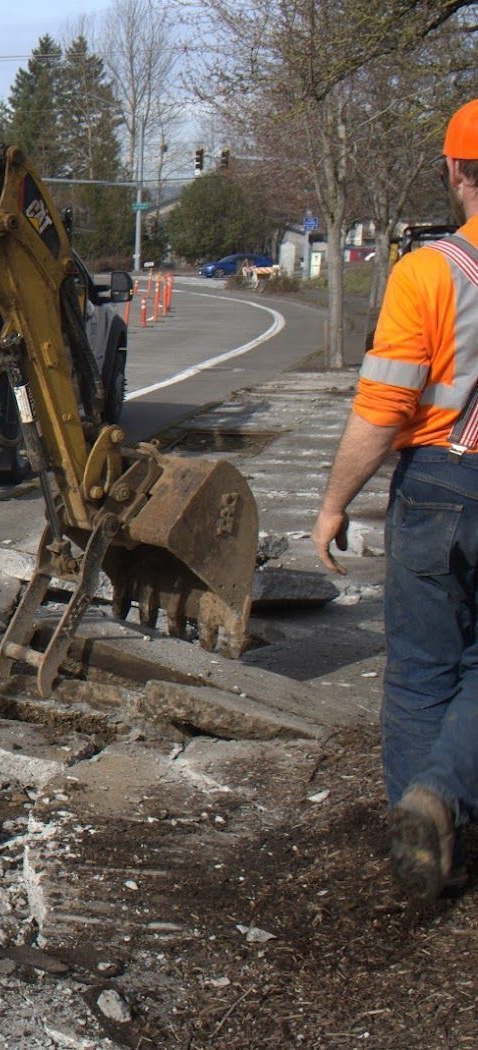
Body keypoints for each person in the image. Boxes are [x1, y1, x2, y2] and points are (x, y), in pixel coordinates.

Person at [312, 97, 478, 904]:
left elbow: (380, 415)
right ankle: (441, 801)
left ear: (453, 172)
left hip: (439, 485)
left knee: (418, 672)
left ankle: (416, 839)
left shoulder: (426, 274)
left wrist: (334, 503)